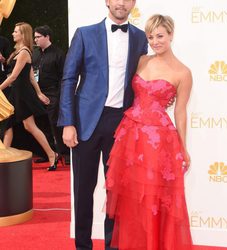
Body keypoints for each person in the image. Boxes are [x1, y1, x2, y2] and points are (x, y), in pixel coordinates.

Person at [57, 0, 148, 249]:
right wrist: (68, 122)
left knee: (117, 192)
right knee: (83, 190)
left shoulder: (140, 38)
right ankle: (83, 245)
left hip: (122, 124)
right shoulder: (85, 33)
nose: (121, 3)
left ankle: (113, 245)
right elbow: (68, 78)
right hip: (86, 122)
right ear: (107, 1)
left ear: (133, 3)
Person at [105, 14, 193, 250]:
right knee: (131, 197)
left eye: (160, 36)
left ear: (171, 35)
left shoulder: (183, 73)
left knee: (153, 197)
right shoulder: (142, 60)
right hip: (130, 137)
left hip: (158, 142)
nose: (155, 41)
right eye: (151, 37)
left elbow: (181, 113)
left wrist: (183, 148)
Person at [0, 22, 58, 171]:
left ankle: (52, 155)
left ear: (22, 34)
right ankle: (4, 159)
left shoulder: (24, 52)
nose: (13, 33)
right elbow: (32, 77)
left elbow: (13, 77)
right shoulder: (20, 51)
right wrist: (39, 93)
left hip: (22, 94)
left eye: (16, 31)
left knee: (28, 126)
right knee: (9, 124)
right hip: (18, 93)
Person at [32, 25, 69, 167]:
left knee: (55, 124)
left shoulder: (59, 54)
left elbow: (63, 76)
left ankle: (64, 153)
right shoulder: (34, 53)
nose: (35, 40)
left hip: (53, 93)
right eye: (34, 37)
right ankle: (49, 153)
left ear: (47, 37)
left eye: (38, 37)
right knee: (41, 124)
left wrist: (59, 95)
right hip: (37, 93)